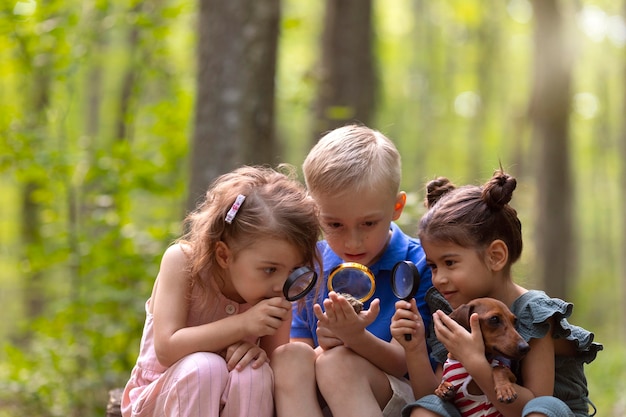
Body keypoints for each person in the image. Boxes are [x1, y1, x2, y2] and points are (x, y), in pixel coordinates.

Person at [391, 169, 603, 417]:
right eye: (433, 266)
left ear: (495, 256)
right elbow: (438, 394)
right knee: (424, 410)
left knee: (543, 409)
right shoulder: (458, 315)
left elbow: (533, 405)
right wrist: (414, 348)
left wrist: (475, 362)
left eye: (449, 263)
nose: (438, 278)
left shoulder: (533, 312)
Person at [120, 165, 322, 417]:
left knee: (253, 373)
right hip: (158, 399)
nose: (281, 285)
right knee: (206, 368)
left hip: (230, 402)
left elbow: (274, 367)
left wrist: (258, 354)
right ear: (224, 255)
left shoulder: (277, 295)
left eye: (293, 271)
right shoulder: (183, 263)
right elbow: (167, 348)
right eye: (270, 270)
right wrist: (243, 324)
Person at [270, 124, 434, 417]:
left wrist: (354, 338)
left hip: (398, 397)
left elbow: (404, 363)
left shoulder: (419, 263)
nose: (353, 241)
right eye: (334, 225)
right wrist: (328, 344)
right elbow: (301, 353)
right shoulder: (311, 266)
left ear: (396, 207)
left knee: (339, 364)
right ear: (314, 212)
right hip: (324, 394)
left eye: (368, 223)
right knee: (287, 357)